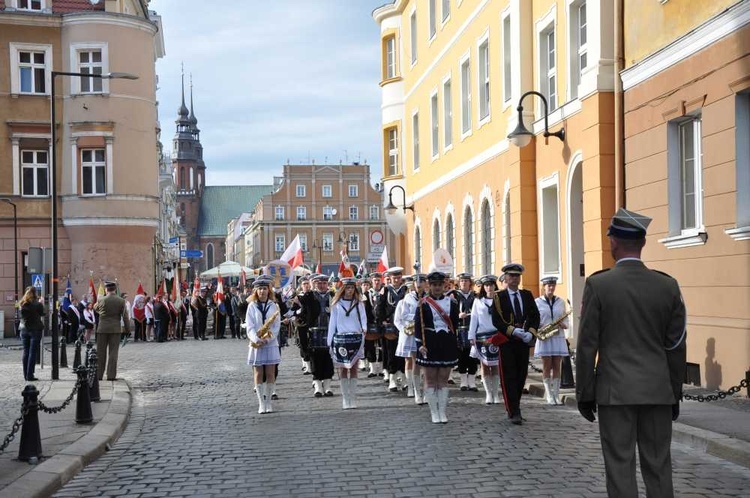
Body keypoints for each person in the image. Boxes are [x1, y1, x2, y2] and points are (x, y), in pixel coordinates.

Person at [576, 208, 686, 498]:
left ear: (613, 241)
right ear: (643, 243)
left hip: (615, 393)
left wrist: (585, 393)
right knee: (659, 467)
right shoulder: (667, 286)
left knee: (620, 467)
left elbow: (587, 346)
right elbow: (676, 346)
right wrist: (674, 391)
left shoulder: (599, 285)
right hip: (657, 390)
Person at [488, 264, 540, 425]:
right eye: (511, 276)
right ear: (506, 278)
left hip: (523, 342)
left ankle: (515, 405)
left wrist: (530, 332)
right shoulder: (499, 297)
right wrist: (512, 331)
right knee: (509, 376)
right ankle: (513, 410)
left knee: (521, 375)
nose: (514, 279)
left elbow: (534, 315)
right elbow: (496, 320)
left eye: (517, 276)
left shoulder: (526, 295)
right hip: (507, 342)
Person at [414, 271, 459, 423]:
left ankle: (442, 411)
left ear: (444, 285)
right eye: (434, 285)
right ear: (429, 285)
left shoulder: (452, 303)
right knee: (431, 379)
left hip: (446, 342)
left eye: (440, 284)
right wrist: (420, 344)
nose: (437, 287)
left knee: (443, 380)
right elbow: (418, 326)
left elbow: (455, 324)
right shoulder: (423, 303)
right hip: (430, 343)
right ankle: (434, 412)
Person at [327, 278, 367, 409]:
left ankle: (353, 398)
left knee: (354, 368)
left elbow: (363, 318)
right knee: (343, 368)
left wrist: (364, 329)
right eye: (347, 288)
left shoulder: (359, 303)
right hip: (341, 339)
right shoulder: (337, 304)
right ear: (343, 289)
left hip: (355, 338)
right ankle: (345, 398)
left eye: (352, 288)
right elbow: (332, 323)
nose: (350, 291)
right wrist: (330, 341)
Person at [246, 278, 282, 414]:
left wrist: (268, 339)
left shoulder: (273, 305)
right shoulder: (252, 306)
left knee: (270, 373)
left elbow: (276, 325)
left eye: (265, 288)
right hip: (256, 342)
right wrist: (256, 338)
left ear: (269, 290)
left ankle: (268, 402)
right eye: (260, 289)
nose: (262, 291)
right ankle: (261, 403)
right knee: (258, 373)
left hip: (270, 343)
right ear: (256, 290)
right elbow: (249, 326)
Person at [534, 276, 570, 405]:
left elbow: (565, 318)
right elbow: (534, 319)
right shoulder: (537, 302)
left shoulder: (560, 302)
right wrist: (540, 327)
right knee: (546, 366)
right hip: (545, 336)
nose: (551, 287)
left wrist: (564, 324)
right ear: (544, 287)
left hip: (558, 335)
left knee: (557, 366)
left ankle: (556, 395)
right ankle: (548, 395)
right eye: (548, 285)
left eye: (553, 285)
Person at [469, 275, 504, 404]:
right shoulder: (478, 301)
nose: (489, 287)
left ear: (495, 286)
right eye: (486, 285)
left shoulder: (499, 300)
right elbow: (474, 319)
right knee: (485, 365)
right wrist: (471, 336)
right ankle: (488, 393)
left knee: (495, 365)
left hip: (496, 334)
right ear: (483, 287)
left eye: (491, 284)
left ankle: (496, 393)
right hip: (482, 336)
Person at [394, 274, 426, 403]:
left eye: (422, 282)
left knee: (421, 361)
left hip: (423, 332)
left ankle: (422, 388)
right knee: (411, 360)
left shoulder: (428, 298)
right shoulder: (406, 299)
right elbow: (400, 318)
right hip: (410, 332)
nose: (419, 285)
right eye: (417, 283)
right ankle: (411, 387)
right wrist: (405, 329)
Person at [377, 267, 407, 392]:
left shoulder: (406, 290)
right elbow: (380, 307)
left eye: (398, 277)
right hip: (390, 325)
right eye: (394, 278)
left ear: (401, 278)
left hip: (404, 326)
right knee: (390, 352)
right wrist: (382, 321)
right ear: (390, 278)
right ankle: (392, 379)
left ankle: (404, 377)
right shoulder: (385, 290)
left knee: (404, 353)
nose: (396, 280)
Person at [94, 281, 131, 381]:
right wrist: (128, 330)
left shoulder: (101, 300)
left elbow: (95, 307)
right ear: (115, 289)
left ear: (106, 289)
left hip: (102, 329)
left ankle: (98, 375)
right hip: (115, 329)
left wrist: (101, 312)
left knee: (100, 353)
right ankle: (111, 375)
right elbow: (125, 317)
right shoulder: (121, 301)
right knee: (113, 353)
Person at [451, 273, 479, 392]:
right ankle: (463, 381)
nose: (463, 283)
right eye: (461, 281)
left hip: (473, 329)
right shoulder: (454, 296)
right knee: (462, 355)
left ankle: (472, 381)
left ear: (470, 283)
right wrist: (458, 315)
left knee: (473, 355)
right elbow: (449, 312)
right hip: (460, 329)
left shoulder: (476, 296)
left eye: (466, 281)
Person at [310, 274, 335, 397]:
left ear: (327, 284)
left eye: (324, 283)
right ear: (315, 284)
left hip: (329, 331)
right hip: (314, 332)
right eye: (319, 283)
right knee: (315, 359)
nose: (322, 285)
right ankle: (318, 386)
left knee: (328, 359)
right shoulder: (311, 296)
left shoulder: (333, 296)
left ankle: (328, 385)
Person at [19, 286, 45, 381]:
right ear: (35, 293)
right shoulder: (37, 304)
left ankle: (26, 374)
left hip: (24, 330)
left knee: (26, 352)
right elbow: (42, 313)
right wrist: (41, 303)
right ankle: (30, 375)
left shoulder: (22, 303)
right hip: (35, 330)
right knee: (32, 352)